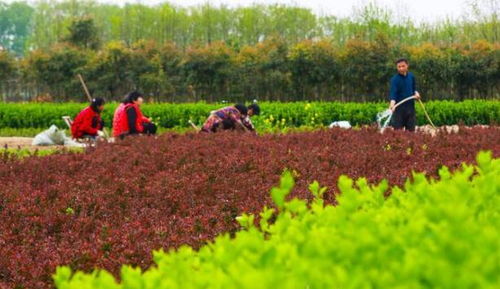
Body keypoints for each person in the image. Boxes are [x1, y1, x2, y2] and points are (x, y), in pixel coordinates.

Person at [389, 58, 421, 132]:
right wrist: (392, 104)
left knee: (410, 131)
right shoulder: (394, 80)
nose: (401, 68)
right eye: (399, 67)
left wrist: (416, 93)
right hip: (399, 109)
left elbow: (414, 89)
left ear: (407, 66)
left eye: (403, 66)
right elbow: (393, 94)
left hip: (410, 108)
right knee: (398, 132)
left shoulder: (411, 77)